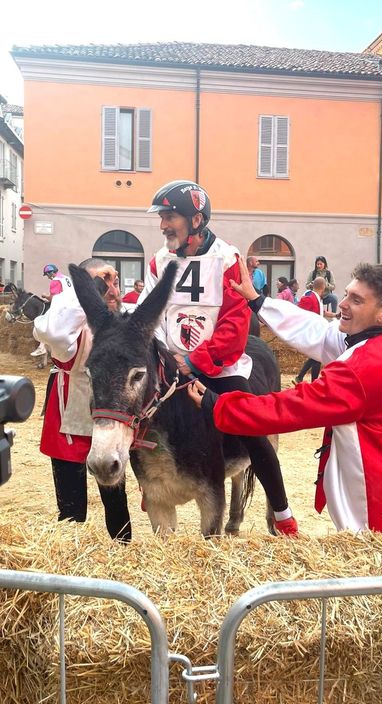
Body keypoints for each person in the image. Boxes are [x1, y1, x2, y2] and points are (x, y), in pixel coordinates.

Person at [188, 259, 382, 534]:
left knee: (369, 553)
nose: (343, 304)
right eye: (347, 294)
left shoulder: (365, 367)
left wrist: (218, 404)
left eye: (357, 300)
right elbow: (316, 330)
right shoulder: (376, 339)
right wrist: (257, 301)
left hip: (379, 502)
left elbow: (291, 407)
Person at [140, 179, 298, 536]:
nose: (163, 225)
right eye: (161, 217)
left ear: (196, 220)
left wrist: (195, 361)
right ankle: (149, 484)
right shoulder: (159, 261)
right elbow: (150, 314)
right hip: (170, 363)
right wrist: (167, 357)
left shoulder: (228, 258)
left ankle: (281, 511)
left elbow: (235, 323)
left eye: (169, 217)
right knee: (135, 413)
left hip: (219, 366)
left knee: (253, 432)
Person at [33, 257, 131, 542]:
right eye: (102, 282)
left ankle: (122, 555)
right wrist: (90, 290)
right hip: (71, 419)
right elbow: (53, 331)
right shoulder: (70, 328)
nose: (111, 289)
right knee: (72, 512)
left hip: (109, 422)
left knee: (116, 505)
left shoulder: (122, 321)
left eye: (114, 282)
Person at [292, 276, 335, 385]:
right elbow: (299, 313)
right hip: (312, 333)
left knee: (316, 357)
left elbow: (322, 312)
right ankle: (308, 380)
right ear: (323, 287)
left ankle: (301, 378)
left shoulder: (318, 298)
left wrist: (336, 315)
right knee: (317, 357)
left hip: (318, 332)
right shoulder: (309, 298)